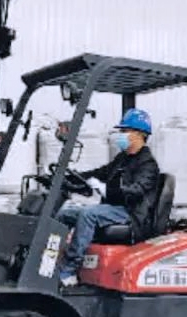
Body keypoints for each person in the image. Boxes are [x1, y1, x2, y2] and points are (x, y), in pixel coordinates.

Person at [56, 108, 160, 287]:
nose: (120, 135)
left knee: (89, 214)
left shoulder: (148, 164)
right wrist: (69, 177)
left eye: (124, 131)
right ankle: (51, 261)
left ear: (139, 134)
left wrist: (106, 190)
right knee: (65, 213)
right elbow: (100, 172)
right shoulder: (123, 158)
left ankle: (69, 271)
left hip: (132, 214)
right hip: (115, 209)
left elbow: (135, 192)